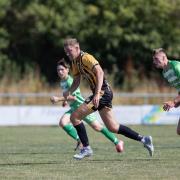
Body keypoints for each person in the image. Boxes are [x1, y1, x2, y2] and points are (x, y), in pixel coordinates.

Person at [63, 38, 154, 160]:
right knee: (113, 127)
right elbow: (77, 80)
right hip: (103, 93)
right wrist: (69, 91)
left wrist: (96, 94)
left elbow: (100, 73)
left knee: (75, 117)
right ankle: (144, 139)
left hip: (102, 92)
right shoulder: (74, 63)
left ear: (77, 48)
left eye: (70, 51)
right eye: (66, 52)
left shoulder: (86, 58)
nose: (68, 54)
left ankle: (86, 148)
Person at [50, 59, 124, 157]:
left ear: (68, 70)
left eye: (62, 69)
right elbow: (69, 96)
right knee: (63, 123)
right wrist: (65, 101)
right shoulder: (62, 82)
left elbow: (75, 97)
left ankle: (117, 141)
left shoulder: (70, 81)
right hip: (73, 108)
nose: (60, 72)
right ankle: (80, 140)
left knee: (97, 127)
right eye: (58, 70)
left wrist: (58, 99)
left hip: (82, 108)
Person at [153, 48, 180, 134]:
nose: (154, 62)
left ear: (164, 58)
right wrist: (176, 103)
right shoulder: (164, 72)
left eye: (156, 59)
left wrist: (174, 101)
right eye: (153, 60)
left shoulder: (175, 66)